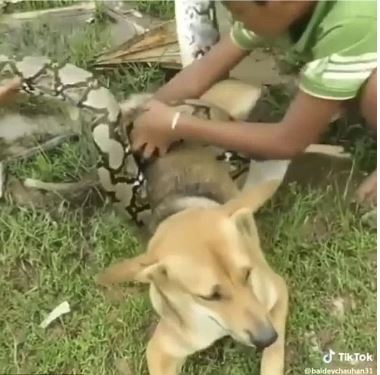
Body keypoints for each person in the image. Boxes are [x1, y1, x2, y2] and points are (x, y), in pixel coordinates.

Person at [131, 0, 377, 207]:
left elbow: (287, 141)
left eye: (238, 11)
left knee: (373, 91)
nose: (233, 17)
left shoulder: (353, 21)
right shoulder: (278, 12)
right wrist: (141, 113)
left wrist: (176, 124)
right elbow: (201, 73)